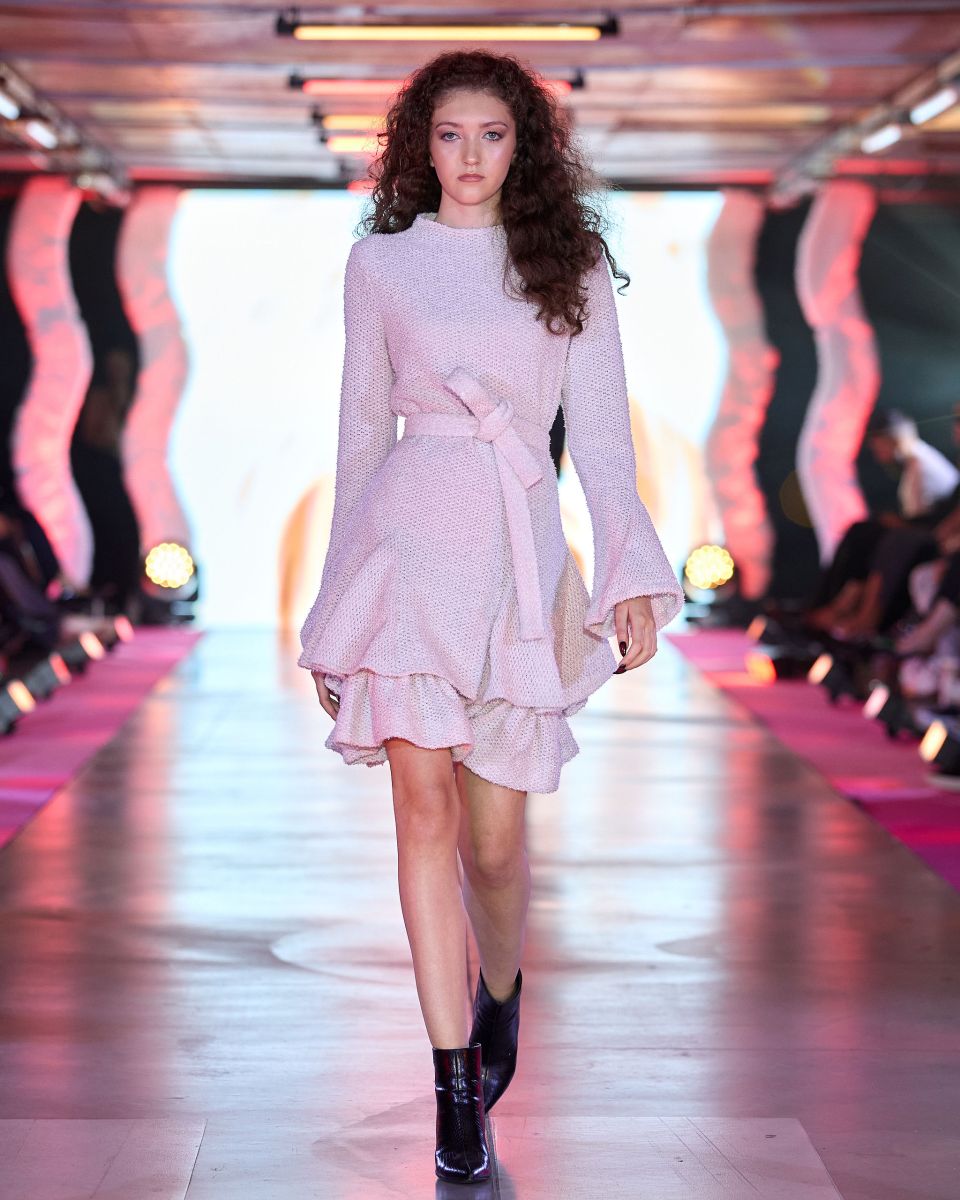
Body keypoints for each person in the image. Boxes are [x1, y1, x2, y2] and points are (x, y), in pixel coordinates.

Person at [296, 49, 683, 1184]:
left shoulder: (567, 263)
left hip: (516, 557)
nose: (470, 156)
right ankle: (453, 1084)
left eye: (493, 135)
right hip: (405, 550)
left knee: (498, 845)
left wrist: (628, 572)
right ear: (422, 145)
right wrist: (336, 603)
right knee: (421, 810)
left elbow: (600, 440)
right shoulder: (381, 265)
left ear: (525, 147)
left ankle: (500, 989)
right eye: (450, 134)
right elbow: (359, 434)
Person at [807, 407, 960, 637]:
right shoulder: (916, 464)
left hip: (934, 537)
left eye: (877, 445)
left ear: (893, 439)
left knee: (892, 539)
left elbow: (938, 523)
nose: (876, 452)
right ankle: (838, 604)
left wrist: (905, 525)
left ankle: (862, 616)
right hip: (931, 531)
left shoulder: (921, 465)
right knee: (865, 531)